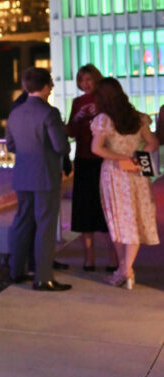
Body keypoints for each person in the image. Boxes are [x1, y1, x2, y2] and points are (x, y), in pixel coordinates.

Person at [6, 67, 72, 291]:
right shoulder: (49, 113)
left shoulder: (15, 113)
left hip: (22, 174)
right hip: (45, 175)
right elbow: (60, 146)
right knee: (45, 225)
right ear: (45, 86)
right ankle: (43, 277)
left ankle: (16, 270)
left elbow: (11, 145)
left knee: (22, 222)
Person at [90, 77, 159, 289]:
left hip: (114, 173)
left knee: (119, 221)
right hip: (136, 173)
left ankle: (125, 270)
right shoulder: (138, 117)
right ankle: (125, 269)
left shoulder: (104, 120)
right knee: (133, 218)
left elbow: (96, 148)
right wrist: (137, 157)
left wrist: (120, 157)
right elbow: (152, 142)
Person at [66, 64, 117, 271]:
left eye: (88, 79)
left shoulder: (107, 100)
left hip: (103, 157)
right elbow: (70, 131)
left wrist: (101, 114)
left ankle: (113, 257)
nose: (85, 84)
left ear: (96, 80)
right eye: (81, 80)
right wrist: (78, 118)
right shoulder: (77, 102)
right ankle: (89, 257)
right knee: (84, 207)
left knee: (105, 207)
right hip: (83, 157)